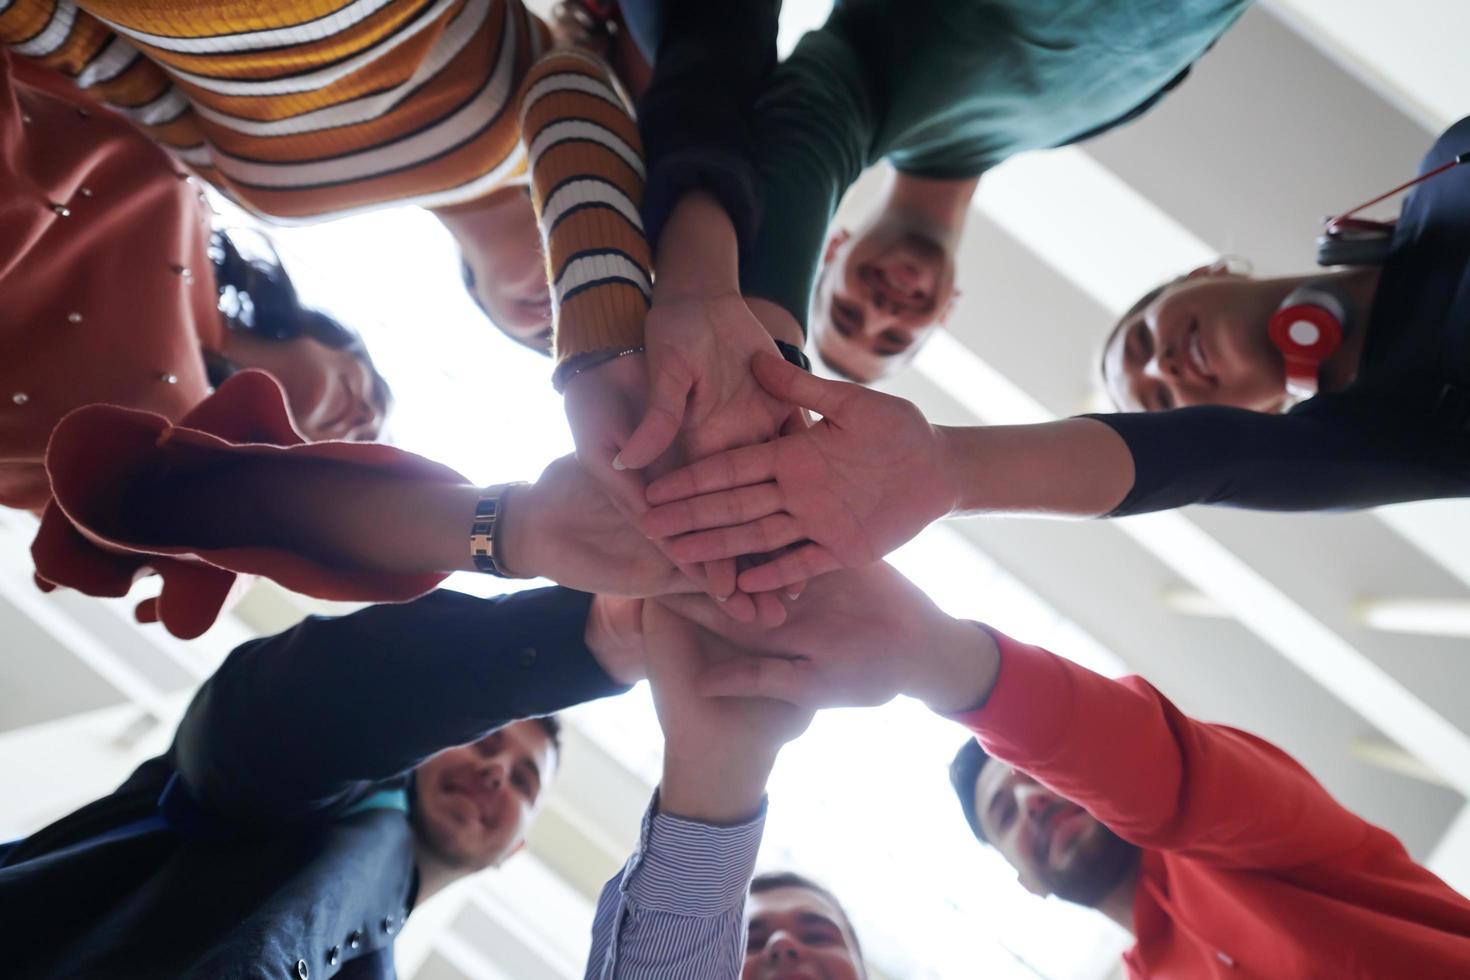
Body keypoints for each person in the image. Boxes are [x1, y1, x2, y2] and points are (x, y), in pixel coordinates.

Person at [662, 563, 1470, 978]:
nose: (1030, 801)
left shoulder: (1247, 834)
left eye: (1034, 781)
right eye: (1006, 816)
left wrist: (933, 653)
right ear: (1026, 885)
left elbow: (1164, 771)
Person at [0, 583, 646, 978]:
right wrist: (587, 639)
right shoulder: (288, 787)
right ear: (423, 750)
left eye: (526, 781)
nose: (496, 768)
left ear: (515, 850)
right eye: (483, 740)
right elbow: (290, 711)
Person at [0, 0, 652, 351]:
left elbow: (117, 76)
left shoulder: (286, 208)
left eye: (540, 338)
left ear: (481, 302)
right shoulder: (582, 103)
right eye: (602, 292)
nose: (559, 316)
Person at [0, 49, 389, 570]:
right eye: (367, 392)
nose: (362, 418)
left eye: (360, 444)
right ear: (320, 336)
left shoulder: (168, 458)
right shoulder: (202, 217)